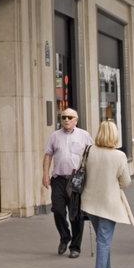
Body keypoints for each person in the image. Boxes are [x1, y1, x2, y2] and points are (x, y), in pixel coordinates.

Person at [81, 121, 134, 268]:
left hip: (90, 201)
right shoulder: (119, 156)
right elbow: (125, 181)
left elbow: (81, 170)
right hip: (109, 203)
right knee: (104, 241)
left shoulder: (89, 151)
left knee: (102, 239)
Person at [42, 107, 93, 258]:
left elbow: (91, 154)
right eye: (64, 117)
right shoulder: (55, 136)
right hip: (58, 179)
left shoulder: (84, 135)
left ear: (76, 120)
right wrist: (45, 174)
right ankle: (65, 237)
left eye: (70, 117)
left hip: (76, 180)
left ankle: (75, 247)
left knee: (75, 214)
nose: (66, 120)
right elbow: (48, 155)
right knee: (57, 210)